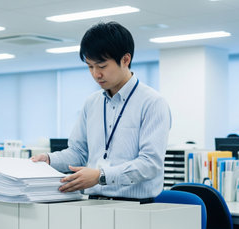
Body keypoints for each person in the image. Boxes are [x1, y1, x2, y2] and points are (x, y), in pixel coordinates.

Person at [31, 21, 171, 203]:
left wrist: (101, 176)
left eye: (102, 66)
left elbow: (150, 164)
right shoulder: (92, 102)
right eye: (90, 66)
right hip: (93, 202)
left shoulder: (152, 103)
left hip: (136, 207)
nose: (96, 74)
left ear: (125, 60)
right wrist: (49, 159)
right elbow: (79, 152)